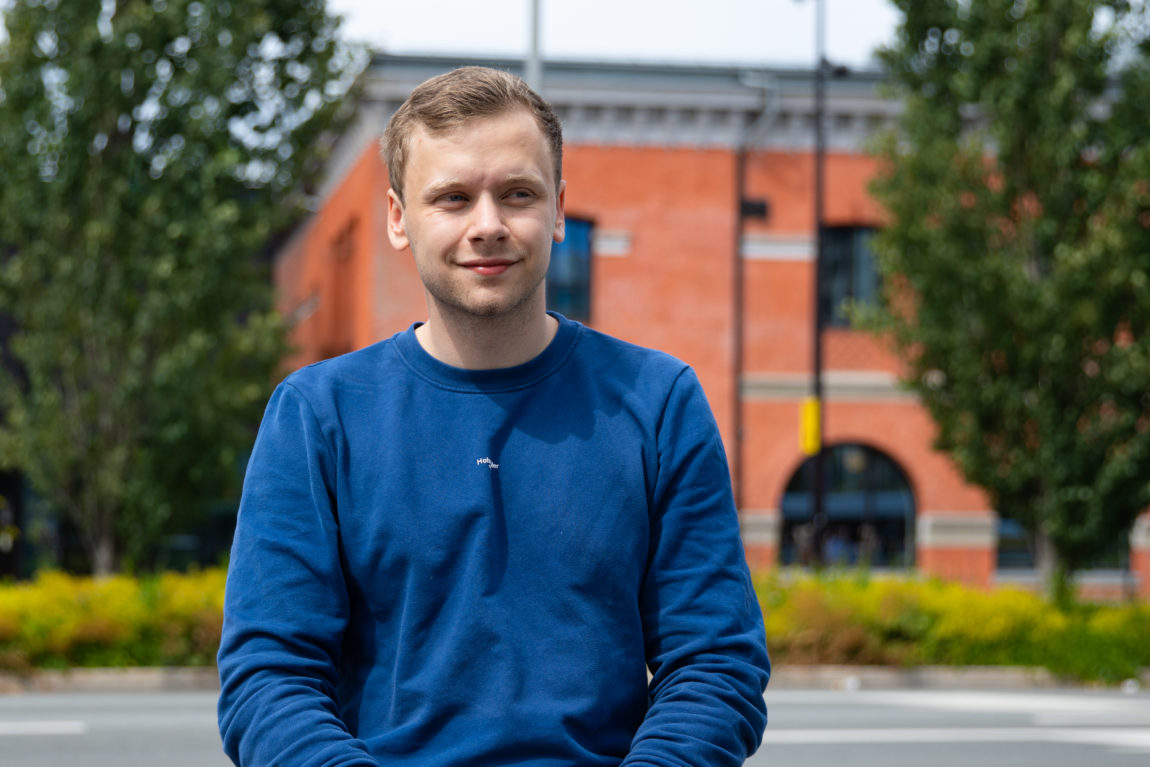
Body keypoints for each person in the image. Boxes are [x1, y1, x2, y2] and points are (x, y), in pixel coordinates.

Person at [217, 65, 770, 767]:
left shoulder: (658, 402)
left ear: (560, 209)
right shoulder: (317, 415)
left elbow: (715, 662)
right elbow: (269, 678)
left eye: (517, 194)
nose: (488, 225)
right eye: (452, 198)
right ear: (397, 217)